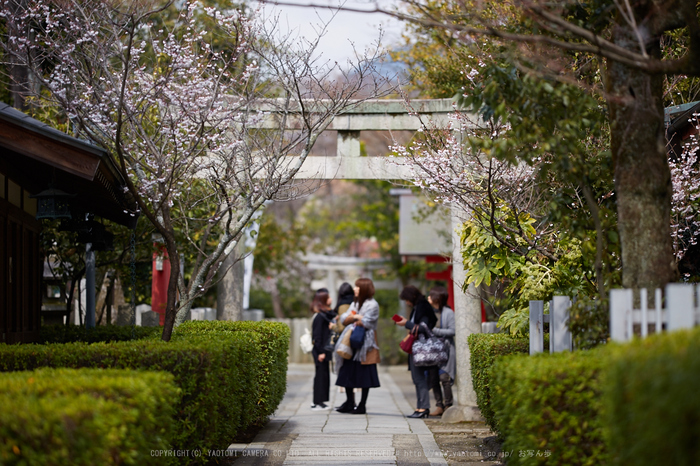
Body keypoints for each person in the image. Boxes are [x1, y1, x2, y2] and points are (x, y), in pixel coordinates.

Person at [333, 278, 381, 414]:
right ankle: (349, 402)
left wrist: (354, 318)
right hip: (350, 343)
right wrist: (357, 317)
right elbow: (344, 318)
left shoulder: (373, 305)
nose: (355, 289)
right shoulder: (355, 303)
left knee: (365, 375)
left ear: (364, 288)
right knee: (347, 372)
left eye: (357, 287)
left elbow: (367, 322)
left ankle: (362, 405)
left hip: (366, 345)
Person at [394, 285, 437, 418]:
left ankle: (423, 407)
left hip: (421, 348)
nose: (406, 303)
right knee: (417, 378)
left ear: (412, 296)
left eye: (407, 299)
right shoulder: (418, 307)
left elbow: (423, 327)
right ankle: (420, 407)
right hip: (417, 347)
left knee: (419, 379)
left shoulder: (423, 306)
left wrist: (406, 323)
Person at [427, 286, 455, 416]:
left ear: (437, 298)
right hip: (432, 351)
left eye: (431, 295)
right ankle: (439, 405)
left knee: (444, 377)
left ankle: (448, 404)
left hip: (446, 350)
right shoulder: (429, 311)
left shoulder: (448, 313)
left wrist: (434, 331)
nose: (428, 298)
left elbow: (452, 331)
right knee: (433, 378)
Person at [310, 288, 336, 410]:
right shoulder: (320, 317)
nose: (331, 299)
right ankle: (316, 401)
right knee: (320, 375)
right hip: (320, 350)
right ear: (324, 300)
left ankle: (321, 401)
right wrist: (320, 352)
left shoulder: (325, 315)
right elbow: (317, 336)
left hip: (324, 350)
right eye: (329, 297)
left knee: (324, 374)